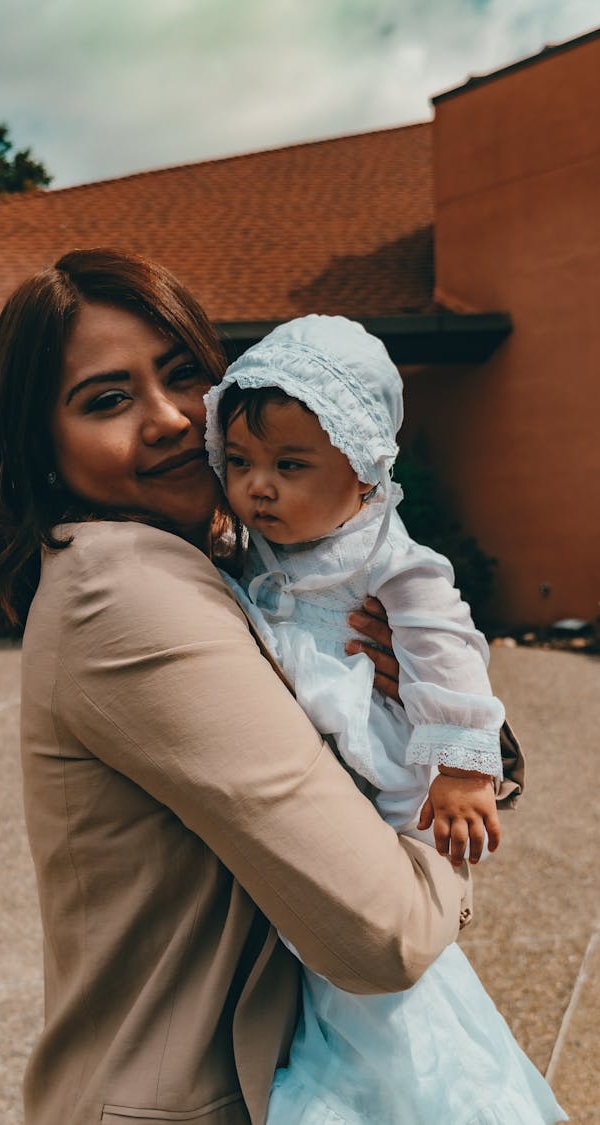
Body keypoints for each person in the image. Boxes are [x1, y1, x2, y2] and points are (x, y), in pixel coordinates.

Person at [0, 248, 514, 1125]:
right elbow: (387, 931)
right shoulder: (124, 588)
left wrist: (429, 711)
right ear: (41, 441)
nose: (172, 418)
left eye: (185, 375)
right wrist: (455, 794)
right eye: (107, 399)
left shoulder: (232, 562)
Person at [203, 314, 566, 1124]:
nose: (260, 485)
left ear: (364, 472)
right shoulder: (254, 544)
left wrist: (468, 771)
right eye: (240, 461)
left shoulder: (390, 559)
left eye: (290, 465)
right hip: (308, 769)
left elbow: (449, 655)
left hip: (378, 769)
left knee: (372, 972)